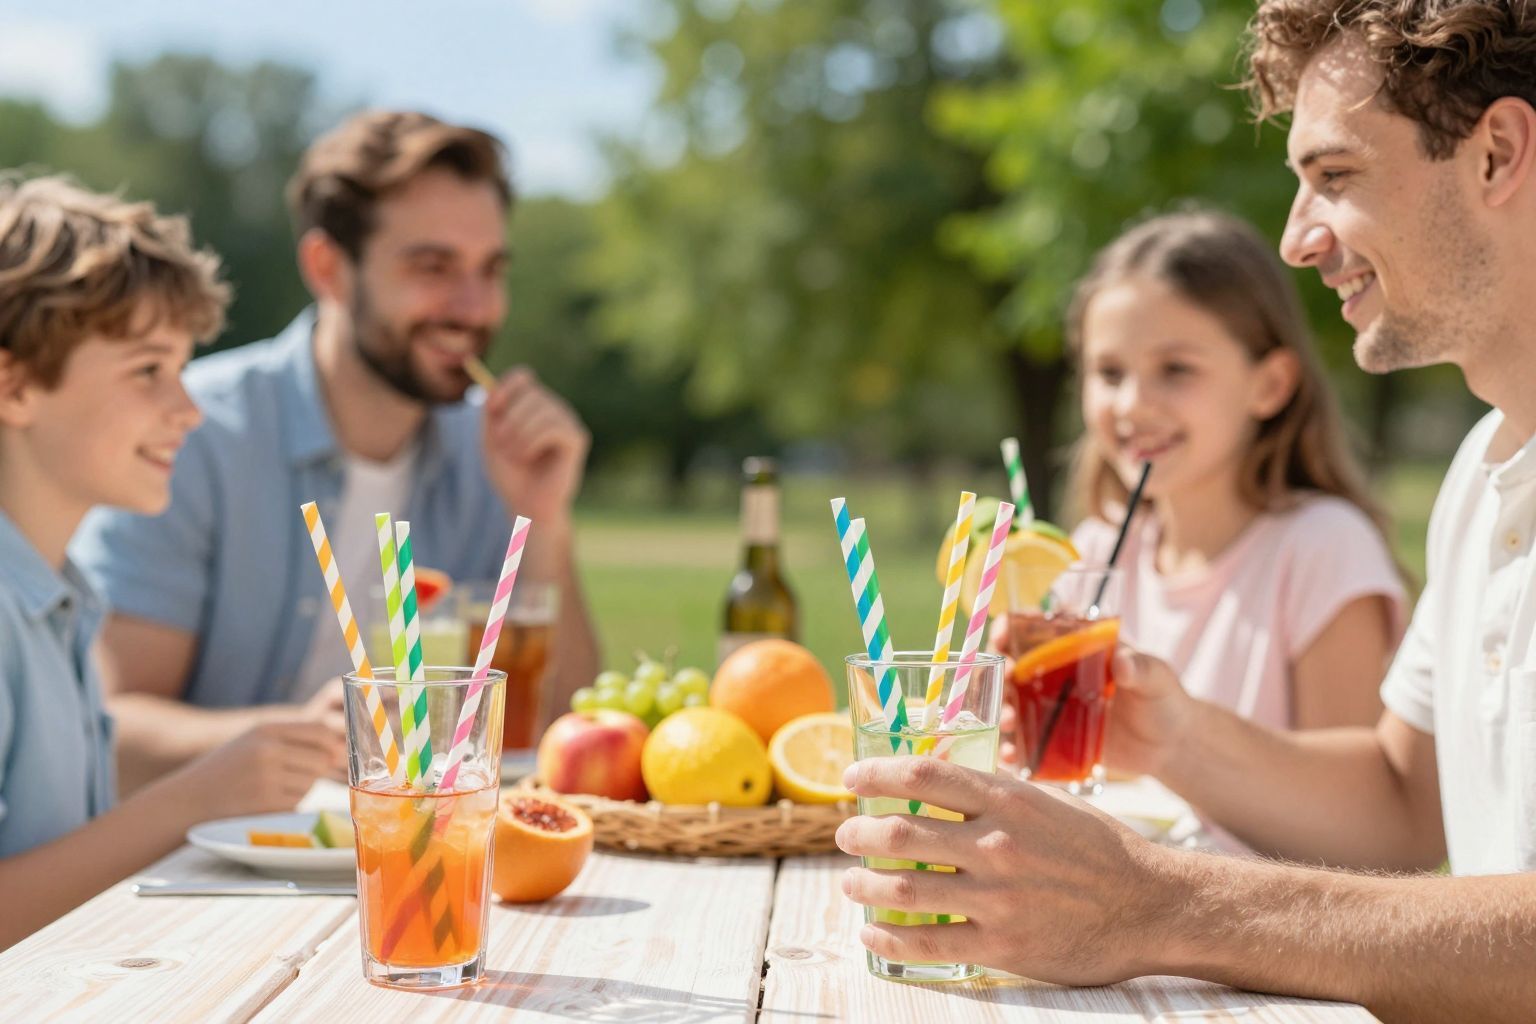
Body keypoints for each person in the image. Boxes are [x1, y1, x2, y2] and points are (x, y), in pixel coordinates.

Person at [835, 2, 1536, 1020]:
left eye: (1334, 178)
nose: (1297, 238)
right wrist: (1175, 736)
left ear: (1498, 153)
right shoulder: (1483, 469)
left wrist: (1154, 902)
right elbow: (1402, 798)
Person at [70, 111, 601, 793]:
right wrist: (317, 734)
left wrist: (546, 520)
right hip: (221, 866)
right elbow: (114, 727)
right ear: (329, 269)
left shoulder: (496, 455)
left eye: (490, 270)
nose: (472, 308)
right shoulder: (191, 433)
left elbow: (568, 738)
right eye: (432, 266)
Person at [0, 175, 344, 950]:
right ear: (15, 385)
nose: (188, 410)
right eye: (148, 370)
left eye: (185, 369)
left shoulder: (62, 598)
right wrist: (190, 801)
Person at [1065, 209, 1406, 738]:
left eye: (1176, 369)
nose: (1132, 404)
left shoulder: (1322, 552)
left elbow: (1351, 811)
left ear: (1270, 384)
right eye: (1109, 373)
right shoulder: (1091, 555)